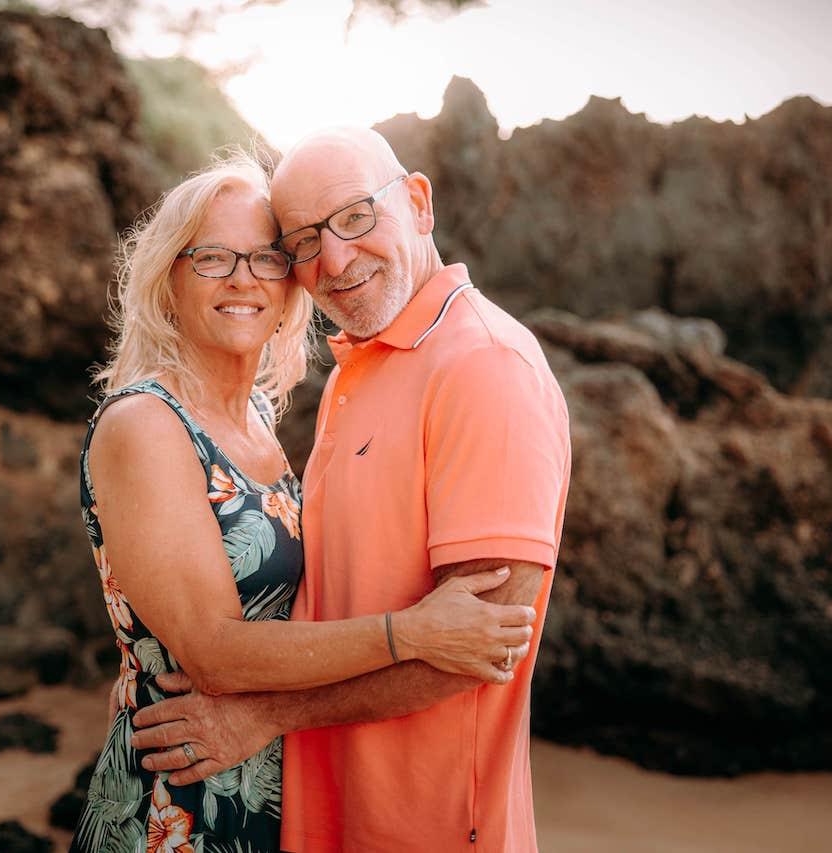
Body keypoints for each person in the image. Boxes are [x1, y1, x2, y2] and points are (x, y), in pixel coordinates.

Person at [69, 151, 537, 853]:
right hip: (181, 800)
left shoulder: (260, 416)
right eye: (212, 259)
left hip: (270, 787)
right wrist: (410, 632)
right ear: (169, 274)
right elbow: (213, 653)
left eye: (267, 258)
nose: (243, 280)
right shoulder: (145, 423)